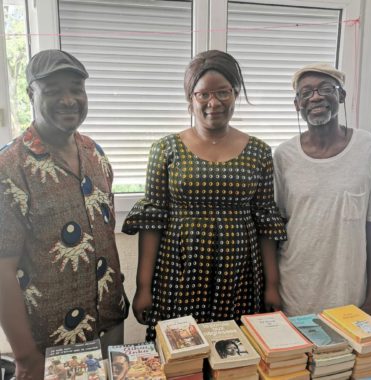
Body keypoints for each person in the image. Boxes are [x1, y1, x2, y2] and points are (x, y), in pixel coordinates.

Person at [122, 50, 286, 339]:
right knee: (181, 353)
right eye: (203, 95)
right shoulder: (166, 149)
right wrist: (143, 287)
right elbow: (152, 224)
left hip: (239, 275)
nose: (214, 103)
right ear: (190, 99)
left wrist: (272, 284)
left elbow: (266, 224)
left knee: (233, 351)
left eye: (223, 92)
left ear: (235, 94)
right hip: (178, 270)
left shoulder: (260, 151)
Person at [0, 49, 128, 380]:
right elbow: (1, 268)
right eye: (54, 90)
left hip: (110, 323)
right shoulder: (9, 168)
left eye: (76, 88)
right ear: (31, 94)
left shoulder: (95, 152)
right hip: (49, 342)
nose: (69, 100)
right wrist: (25, 355)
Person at [274, 63, 371, 318]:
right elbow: (276, 226)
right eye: (306, 93)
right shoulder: (283, 156)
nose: (316, 96)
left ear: (341, 96)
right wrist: (273, 286)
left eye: (325, 88)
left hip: (349, 294)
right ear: (297, 104)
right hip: (294, 290)